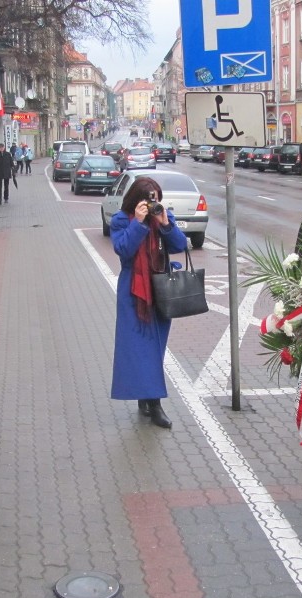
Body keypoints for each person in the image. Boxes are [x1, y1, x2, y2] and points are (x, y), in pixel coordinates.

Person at [110, 177, 189, 429]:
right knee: (139, 349)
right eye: (149, 198)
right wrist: (140, 222)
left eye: (156, 197)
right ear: (136, 200)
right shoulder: (122, 219)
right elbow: (123, 250)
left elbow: (179, 245)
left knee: (155, 348)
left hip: (161, 290)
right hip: (133, 292)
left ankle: (147, 397)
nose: (154, 202)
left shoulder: (162, 216)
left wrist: (165, 223)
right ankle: (154, 404)